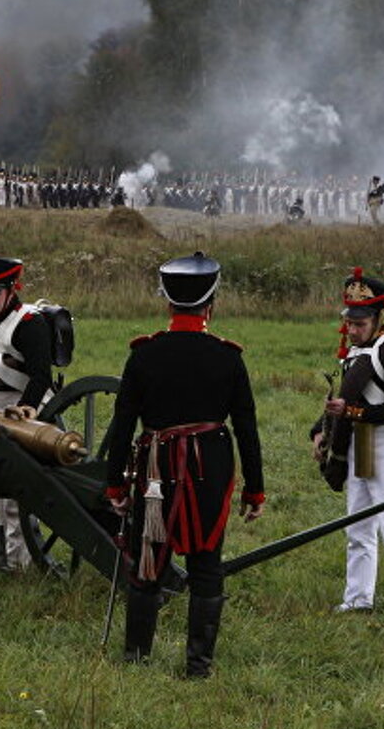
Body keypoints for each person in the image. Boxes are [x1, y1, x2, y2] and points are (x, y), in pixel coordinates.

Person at [104, 252, 266, 678]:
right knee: (206, 564)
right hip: (209, 469)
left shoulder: (144, 355)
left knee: (146, 562)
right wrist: (255, 489)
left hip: (155, 467)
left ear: (169, 305)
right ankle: (198, 666)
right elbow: (247, 427)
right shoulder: (228, 357)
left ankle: (137, 658)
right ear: (210, 305)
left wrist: (115, 486)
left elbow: (121, 426)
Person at [310, 269, 384, 618]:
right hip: (359, 444)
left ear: (378, 319)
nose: (353, 329)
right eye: (350, 323)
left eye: (361, 323)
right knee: (358, 527)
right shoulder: (356, 353)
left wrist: (351, 410)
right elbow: (345, 396)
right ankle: (358, 599)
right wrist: (320, 429)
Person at [0, 249, 55, 572]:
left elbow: (41, 376)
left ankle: (20, 562)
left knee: (17, 491)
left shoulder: (30, 325)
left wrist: (26, 411)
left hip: (26, 410)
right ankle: (9, 554)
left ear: (11, 290)